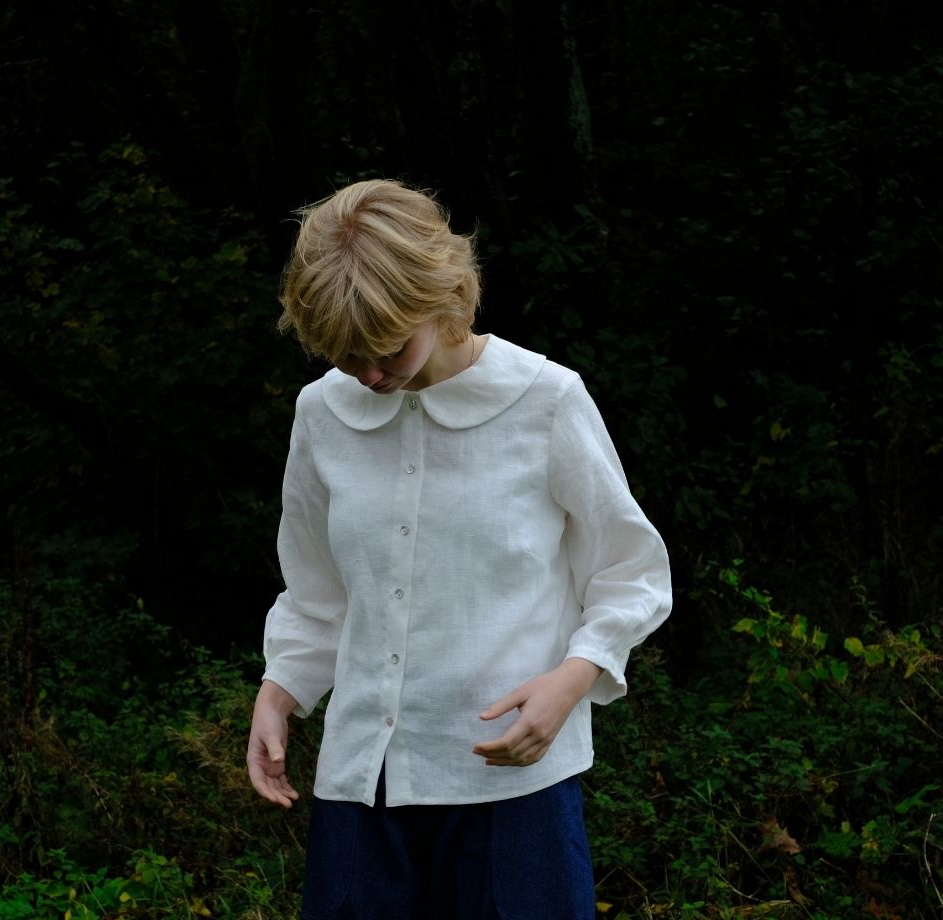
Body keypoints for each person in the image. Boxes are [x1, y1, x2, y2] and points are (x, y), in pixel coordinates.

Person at [246, 178, 672, 919]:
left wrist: (572, 680)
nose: (368, 375)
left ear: (441, 298)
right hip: (363, 792)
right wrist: (279, 691)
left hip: (514, 788)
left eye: (385, 349)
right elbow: (318, 593)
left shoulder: (547, 400)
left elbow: (631, 572)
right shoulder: (321, 414)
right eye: (345, 357)